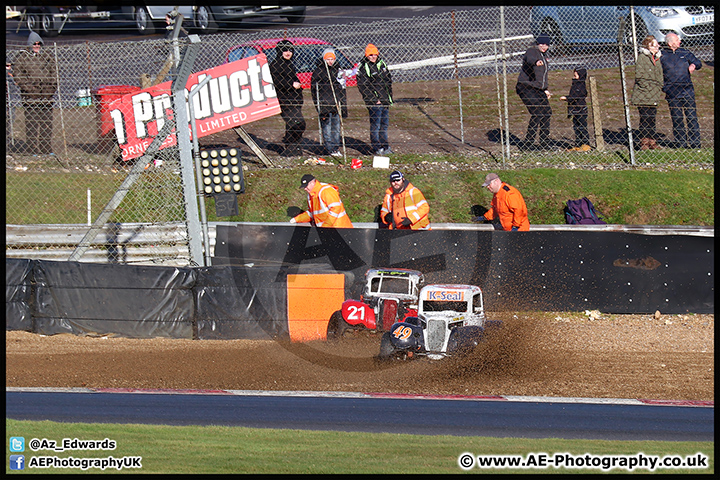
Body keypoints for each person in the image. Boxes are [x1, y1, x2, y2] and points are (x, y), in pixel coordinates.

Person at [11, 32, 57, 155]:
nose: (37, 46)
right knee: (32, 123)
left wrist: (50, 90)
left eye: (38, 44)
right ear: (29, 45)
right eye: (34, 44)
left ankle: (46, 148)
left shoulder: (47, 56)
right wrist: (30, 90)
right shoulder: (22, 58)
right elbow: (18, 76)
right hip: (30, 96)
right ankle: (32, 149)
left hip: (47, 96)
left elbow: (54, 74)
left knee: (46, 124)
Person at [660, 32, 702, 149]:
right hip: (672, 92)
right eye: (677, 40)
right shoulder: (663, 55)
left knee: (691, 117)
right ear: (670, 43)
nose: (680, 42)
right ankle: (681, 143)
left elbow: (698, 63)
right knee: (677, 118)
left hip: (687, 90)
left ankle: (695, 143)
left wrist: (693, 65)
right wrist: (664, 87)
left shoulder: (685, 52)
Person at [269, 40, 306, 157]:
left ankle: (294, 148)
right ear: (280, 51)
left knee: (293, 124)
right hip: (284, 101)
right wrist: (291, 84)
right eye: (285, 50)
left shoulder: (289, 64)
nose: (288, 52)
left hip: (294, 100)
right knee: (298, 123)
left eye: (290, 50)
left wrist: (298, 88)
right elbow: (276, 82)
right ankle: (290, 147)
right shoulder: (276, 65)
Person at [516, 34, 553, 150]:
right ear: (537, 44)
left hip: (538, 88)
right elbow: (529, 59)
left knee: (547, 112)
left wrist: (545, 89)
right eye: (542, 44)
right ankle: (528, 144)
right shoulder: (532, 52)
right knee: (537, 113)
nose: (544, 46)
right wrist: (536, 61)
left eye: (546, 44)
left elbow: (541, 76)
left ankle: (544, 143)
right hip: (526, 87)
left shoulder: (544, 56)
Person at [357, 43, 393, 156]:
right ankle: (376, 147)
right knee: (375, 125)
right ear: (366, 55)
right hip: (375, 102)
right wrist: (374, 99)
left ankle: (385, 145)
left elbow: (388, 81)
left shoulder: (382, 64)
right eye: (371, 55)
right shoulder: (364, 68)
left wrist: (388, 98)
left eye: (375, 54)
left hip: (385, 100)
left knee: (384, 125)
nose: (373, 57)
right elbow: (363, 86)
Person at [310, 48, 347, 158]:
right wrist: (319, 106)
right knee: (326, 128)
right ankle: (329, 148)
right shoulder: (319, 72)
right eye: (328, 59)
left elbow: (342, 88)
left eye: (332, 59)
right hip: (325, 104)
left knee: (336, 128)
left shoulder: (337, 71)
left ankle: (335, 147)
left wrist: (343, 105)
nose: (330, 61)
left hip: (336, 104)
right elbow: (314, 90)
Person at [631, 35, 664, 150]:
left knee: (652, 118)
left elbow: (660, 75)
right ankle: (644, 142)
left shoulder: (657, 58)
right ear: (647, 46)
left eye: (657, 44)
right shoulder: (642, 58)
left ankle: (652, 141)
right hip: (644, 94)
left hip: (654, 94)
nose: (656, 47)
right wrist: (649, 87)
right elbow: (640, 76)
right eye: (653, 45)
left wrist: (659, 86)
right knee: (645, 118)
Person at [560, 66, 590, 152]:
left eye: (576, 75)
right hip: (575, 110)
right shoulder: (575, 84)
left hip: (581, 109)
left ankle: (586, 144)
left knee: (582, 127)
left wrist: (566, 98)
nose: (574, 76)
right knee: (576, 127)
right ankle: (578, 144)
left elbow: (575, 96)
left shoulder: (580, 85)